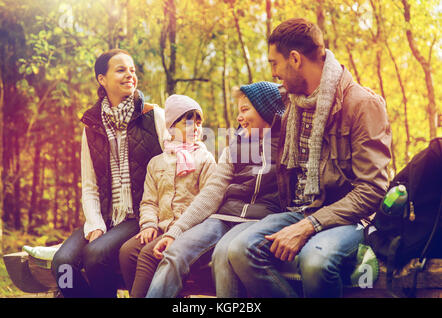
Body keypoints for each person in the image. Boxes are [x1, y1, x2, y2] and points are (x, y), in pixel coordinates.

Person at [224, 18, 392, 297]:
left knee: (314, 262)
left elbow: (372, 190)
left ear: (295, 59)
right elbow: (254, 114)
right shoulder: (294, 103)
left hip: (349, 219)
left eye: (274, 63)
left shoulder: (362, 105)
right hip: (298, 211)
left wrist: (310, 225)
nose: (273, 73)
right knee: (239, 249)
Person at [145, 81, 286, 298]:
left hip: (258, 220)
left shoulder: (289, 145)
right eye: (238, 111)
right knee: (174, 253)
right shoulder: (235, 147)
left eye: (245, 110)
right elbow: (211, 193)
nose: (239, 118)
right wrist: (176, 231)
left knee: (223, 255)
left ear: (266, 110)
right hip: (223, 217)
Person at [51, 49, 167, 298]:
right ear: (102, 79)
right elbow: (90, 185)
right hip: (105, 217)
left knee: (95, 254)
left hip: (139, 216)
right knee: (62, 264)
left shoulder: (153, 115)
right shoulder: (92, 124)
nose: (130, 76)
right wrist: (94, 225)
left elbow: (174, 167)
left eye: (132, 70)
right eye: (121, 70)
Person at [118, 94, 216, 298]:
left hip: (189, 229)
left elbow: (210, 200)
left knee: (147, 255)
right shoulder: (157, 163)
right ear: (171, 126)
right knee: (127, 251)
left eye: (199, 121)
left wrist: (180, 229)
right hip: (161, 226)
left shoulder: (205, 159)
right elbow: (149, 202)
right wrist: (149, 225)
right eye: (188, 121)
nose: (196, 127)